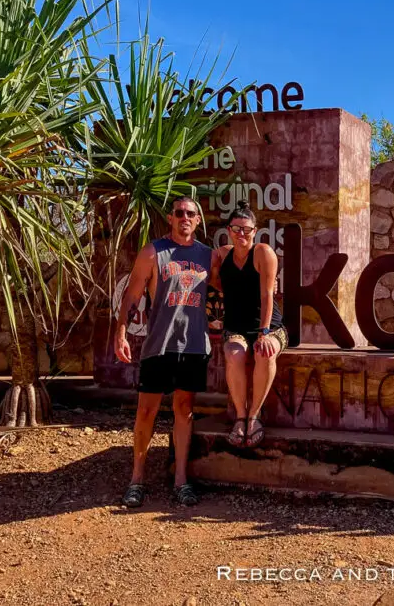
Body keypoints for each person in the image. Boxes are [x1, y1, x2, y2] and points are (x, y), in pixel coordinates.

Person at [114, 196, 212, 508]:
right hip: (159, 345)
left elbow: (229, 286)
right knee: (146, 412)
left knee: (184, 411)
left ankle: (181, 480)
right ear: (170, 218)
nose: (185, 217)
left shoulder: (208, 256)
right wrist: (120, 333)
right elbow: (132, 294)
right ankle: (137, 478)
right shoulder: (153, 252)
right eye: (180, 213)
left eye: (191, 214)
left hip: (194, 345)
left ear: (198, 220)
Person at [210, 200, 287, 448]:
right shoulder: (222, 255)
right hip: (236, 327)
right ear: (228, 231)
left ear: (255, 231)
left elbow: (267, 296)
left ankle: (254, 416)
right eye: (236, 229)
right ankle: (240, 418)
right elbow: (215, 282)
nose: (240, 233)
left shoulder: (263, 252)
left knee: (265, 353)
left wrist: (264, 333)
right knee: (234, 354)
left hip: (270, 326)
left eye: (246, 229)